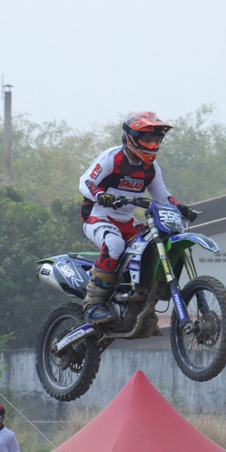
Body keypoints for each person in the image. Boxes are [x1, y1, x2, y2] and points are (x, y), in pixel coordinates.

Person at [77, 111, 198, 324]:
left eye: (157, 140)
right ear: (131, 138)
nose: (153, 145)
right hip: (98, 215)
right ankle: (93, 303)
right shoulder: (112, 157)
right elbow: (86, 181)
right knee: (114, 244)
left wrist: (179, 207)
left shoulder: (151, 167)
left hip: (127, 219)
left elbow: (161, 195)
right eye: (147, 139)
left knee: (151, 246)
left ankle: (138, 300)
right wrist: (99, 195)